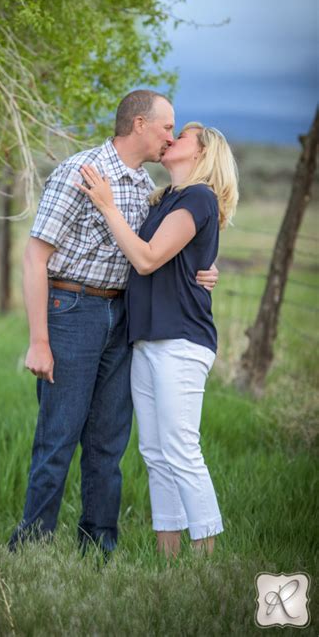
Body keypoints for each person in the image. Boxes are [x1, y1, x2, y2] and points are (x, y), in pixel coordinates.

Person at [8, 92, 219, 555]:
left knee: (108, 443)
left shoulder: (148, 189)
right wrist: (39, 340)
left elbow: (160, 252)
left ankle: (99, 546)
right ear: (140, 124)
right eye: (168, 128)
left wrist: (206, 268)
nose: (170, 137)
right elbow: (34, 257)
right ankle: (31, 546)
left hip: (122, 318)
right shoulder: (79, 172)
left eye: (177, 132)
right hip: (72, 312)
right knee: (58, 436)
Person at [76, 121, 239, 558]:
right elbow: (180, 260)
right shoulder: (164, 199)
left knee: (181, 447)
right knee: (154, 451)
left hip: (181, 340)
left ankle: (207, 559)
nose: (171, 140)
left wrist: (108, 207)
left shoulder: (198, 197)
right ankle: (168, 558)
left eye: (181, 137)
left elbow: (147, 259)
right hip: (147, 339)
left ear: (202, 154)